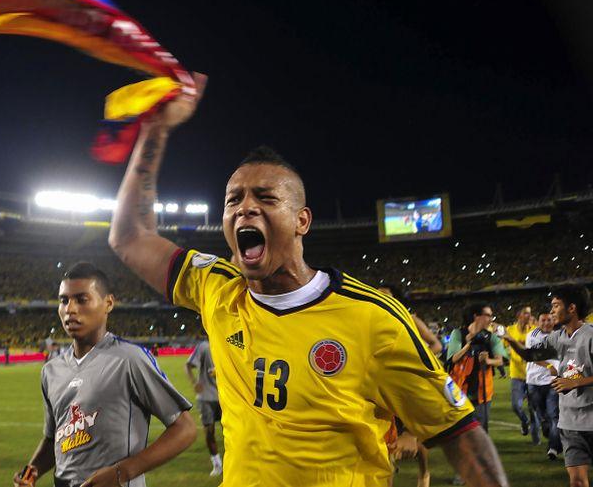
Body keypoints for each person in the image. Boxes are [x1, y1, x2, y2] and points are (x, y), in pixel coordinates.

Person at [108, 73, 508, 487]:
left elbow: (460, 434)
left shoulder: (371, 318)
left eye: (265, 197)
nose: (245, 208)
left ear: (302, 221)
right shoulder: (217, 289)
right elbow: (129, 236)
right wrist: (155, 131)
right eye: (234, 200)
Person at [12, 262, 196, 487]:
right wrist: (32, 471)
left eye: (81, 299)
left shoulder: (129, 360)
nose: (70, 309)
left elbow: (185, 429)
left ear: (108, 303)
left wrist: (123, 472)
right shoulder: (51, 371)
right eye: (64, 300)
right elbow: (55, 439)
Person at [503, 286, 593, 487]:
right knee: (577, 482)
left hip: (592, 417)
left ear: (571, 308)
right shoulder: (558, 336)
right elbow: (530, 356)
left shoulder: (590, 335)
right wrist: (511, 341)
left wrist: (576, 381)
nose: (551, 311)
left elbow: (575, 379)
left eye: (555, 306)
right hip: (570, 421)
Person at [378, 286, 440, 487]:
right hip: (383, 389)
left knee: (419, 445)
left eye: (385, 295)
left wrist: (415, 360)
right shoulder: (372, 320)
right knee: (386, 446)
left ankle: (424, 477)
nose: (380, 299)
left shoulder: (409, 318)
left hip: (409, 386)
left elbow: (436, 344)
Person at [446, 303, 506, 432]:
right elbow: (453, 358)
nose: (491, 319)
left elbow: (499, 361)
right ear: (476, 317)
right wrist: (468, 344)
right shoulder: (458, 334)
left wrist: (488, 360)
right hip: (459, 391)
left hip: (482, 392)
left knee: (480, 431)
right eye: (487, 315)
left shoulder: (492, 338)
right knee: (460, 432)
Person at [524, 312, 561, 460]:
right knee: (542, 416)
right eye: (543, 320)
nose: (546, 323)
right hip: (534, 381)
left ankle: (553, 447)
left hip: (552, 382)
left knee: (554, 416)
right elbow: (533, 356)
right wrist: (549, 366)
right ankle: (550, 433)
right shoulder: (532, 335)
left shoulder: (560, 335)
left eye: (549, 320)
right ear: (538, 322)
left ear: (554, 321)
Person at [185, 339, 222, 476]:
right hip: (206, 397)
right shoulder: (204, 346)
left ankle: (234, 462)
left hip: (225, 397)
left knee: (230, 433)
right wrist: (194, 382)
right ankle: (217, 464)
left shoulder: (227, 343)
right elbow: (188, 365)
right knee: (209, 432)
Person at [505, 306, 539, 443]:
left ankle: (536, 439)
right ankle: (524, 422)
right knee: (516, 406)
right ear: (519, 315)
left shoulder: (534, 331)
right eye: (526, 313)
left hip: (532, 376)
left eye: (530, 313)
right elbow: (500, 343)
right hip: (516, 375)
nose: (528, 316)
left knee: (533, 409)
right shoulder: (510, 330)